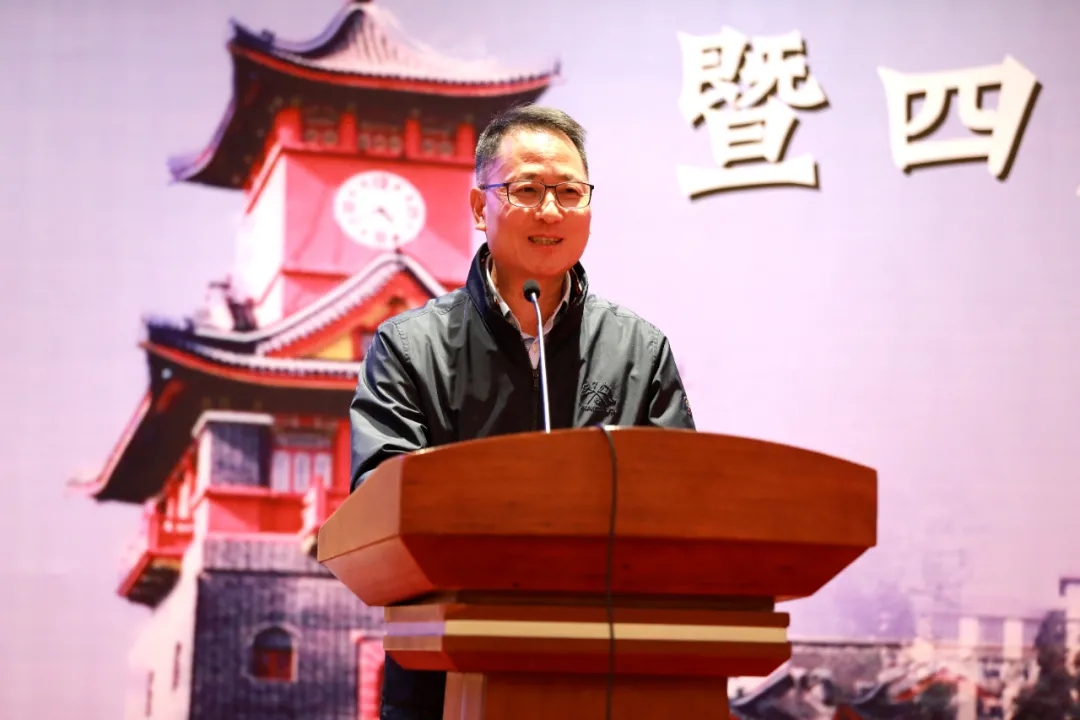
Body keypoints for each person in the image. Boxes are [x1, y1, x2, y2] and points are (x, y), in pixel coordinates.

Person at [348, 104, 695, 720]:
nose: (551, 211)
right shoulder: (409, 346)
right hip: (447, 680)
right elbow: (383, 495)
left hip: (606, 676)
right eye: (527, 190)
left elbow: (682, 507)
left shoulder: (639, 350)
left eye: (570, 192)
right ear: (480, 208)